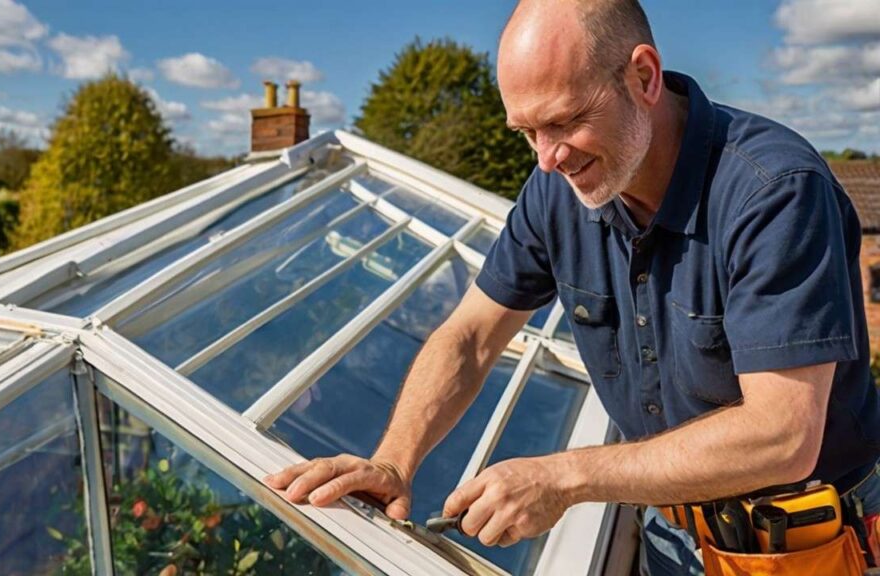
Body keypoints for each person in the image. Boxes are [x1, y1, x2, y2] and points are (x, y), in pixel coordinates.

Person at [265, 0, 880, 573]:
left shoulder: (774, 191)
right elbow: (473, 336)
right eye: (526, 132)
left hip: (809, 547)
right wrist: (394, 460)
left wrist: (564, 478)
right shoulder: (557, 190)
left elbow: (784, 436)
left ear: (644, 77)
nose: (546, 159)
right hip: (671, 537)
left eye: (563, 121)